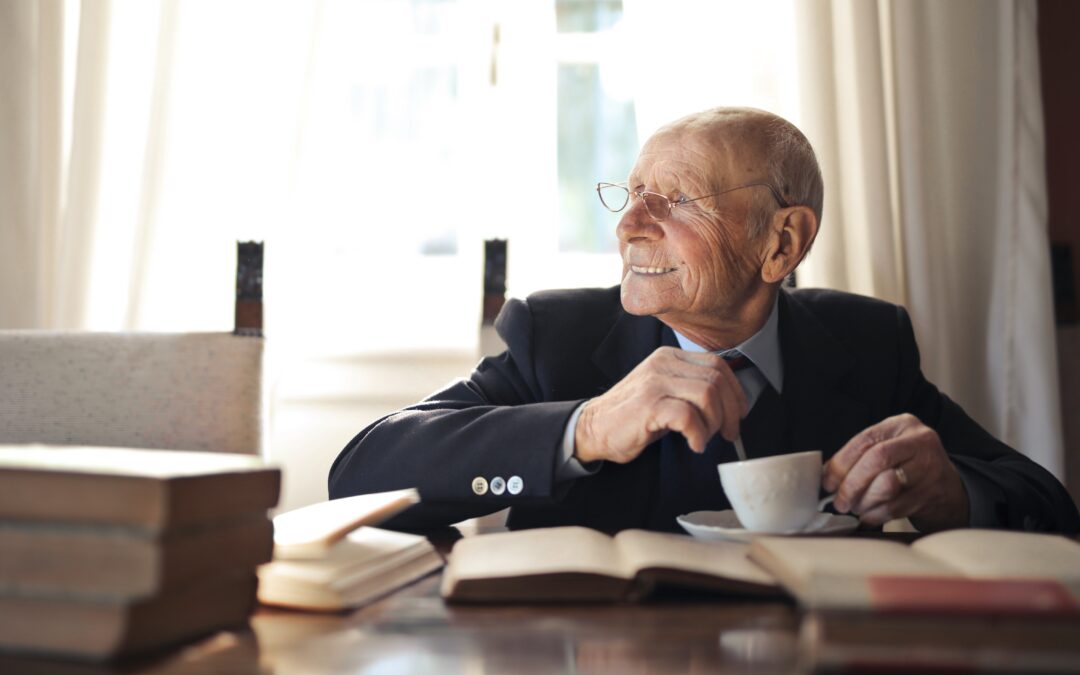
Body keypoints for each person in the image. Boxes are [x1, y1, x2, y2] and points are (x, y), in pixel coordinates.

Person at [328, 107, 1079, 534]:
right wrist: (584, 426)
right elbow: (359, 473)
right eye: (630, 195)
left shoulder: (866, 344)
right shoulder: (555, 339)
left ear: (781, 242)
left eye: (677, 198)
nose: (630, 227)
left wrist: (956, 492)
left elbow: (1049, 505)